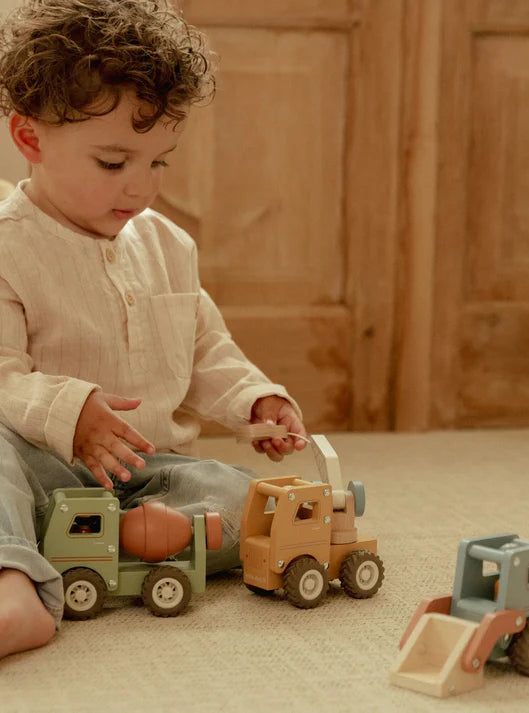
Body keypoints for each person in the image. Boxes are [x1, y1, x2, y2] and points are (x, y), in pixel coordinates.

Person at [0, 0, 308, 659]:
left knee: (251, 500)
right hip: (43, 470)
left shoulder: (169, 245)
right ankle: (14, 583)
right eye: (114, 164)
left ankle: (118, 540)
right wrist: (71, 411)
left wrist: (254, 401)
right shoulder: (8, 247)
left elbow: (204, 348)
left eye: (159, 162)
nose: (141, 188)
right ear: (29, 139)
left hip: (153, 476)